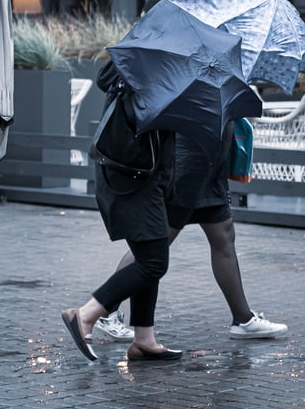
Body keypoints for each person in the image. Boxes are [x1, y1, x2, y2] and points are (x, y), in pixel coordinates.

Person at [93, 120, 288, 341]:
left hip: (211, 167)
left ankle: (243, 319)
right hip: (190, 167)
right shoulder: (192, 84)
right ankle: (104, 312)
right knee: (154, 245)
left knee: (223, 234)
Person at [61, 61, 182, 362]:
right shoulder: (149, 66)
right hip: (134, 178)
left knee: (147, 254)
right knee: (154, 262)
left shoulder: (134, 60)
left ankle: (144, 339)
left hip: (131, 175)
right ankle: (86, 314)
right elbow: (147, 115)